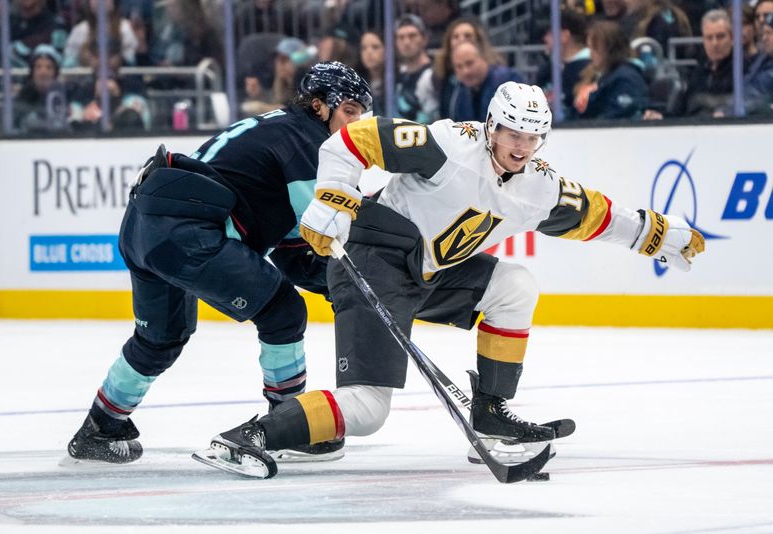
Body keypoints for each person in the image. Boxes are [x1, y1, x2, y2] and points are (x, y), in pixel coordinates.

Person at [194, 81, 705, 479]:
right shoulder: (446, 144)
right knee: (370, 411)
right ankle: (251, 436)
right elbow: (354, 138)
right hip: (374, 259)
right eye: (512, 133)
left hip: (430, 274)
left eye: (532, 136)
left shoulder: (538, 186)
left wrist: (657, 234)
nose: (521, 146)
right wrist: (333, 196)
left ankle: (490, 412)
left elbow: (595, 214)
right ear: (490, 127)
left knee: (515, 286)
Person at [66, 61, 372, 464]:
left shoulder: (279, 127)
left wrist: (336, 283)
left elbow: (293, 251)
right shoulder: (308, 142)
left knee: (160, 338)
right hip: (187, 234)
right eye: (349, 112)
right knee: (282, 311)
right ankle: (288, 423)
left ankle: (99, 428)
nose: (356, 125)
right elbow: (327, 234)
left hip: (146, 224)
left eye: (361, 115)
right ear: (319, 106)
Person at [574, 20, 648, 119]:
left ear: (609, 50)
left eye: (594, 49)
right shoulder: (603, 77)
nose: (590, 55)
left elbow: (615, 118)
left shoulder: (626, 80)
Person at [394, 13, 438, 123]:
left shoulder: (433, 74)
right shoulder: (399, 73)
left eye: (412, 36)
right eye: (401, 37)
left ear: (424, 39)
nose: (406, 42)